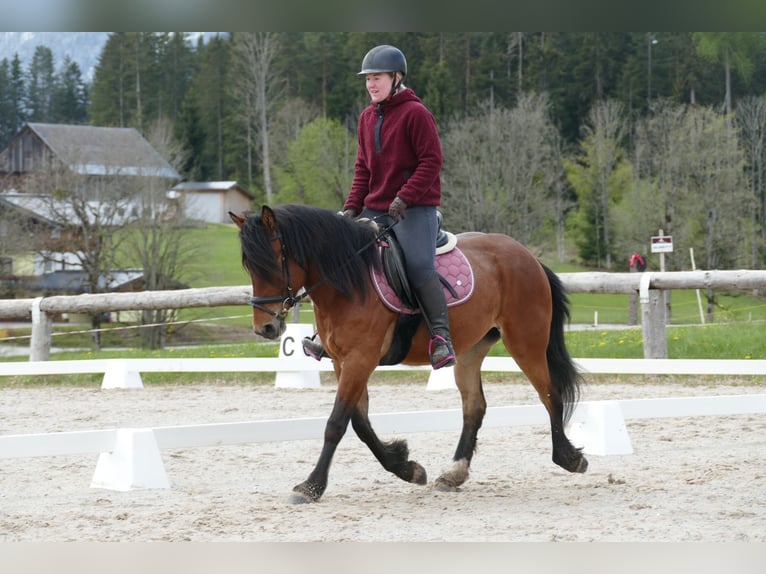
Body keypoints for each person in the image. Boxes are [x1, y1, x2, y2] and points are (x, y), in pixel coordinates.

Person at [303, 44, 455, 369]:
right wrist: (349, 210)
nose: (372, 84)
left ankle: (441, 338)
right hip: (375, 209)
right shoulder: (366, 117)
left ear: (396, 78)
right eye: (368, 79)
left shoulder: (416, 114)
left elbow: (432, 162)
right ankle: (326, 334)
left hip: (415, 209)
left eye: (378, 78)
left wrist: (405, 197)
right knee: (339, 256)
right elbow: (363, 170)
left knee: (417, 266)